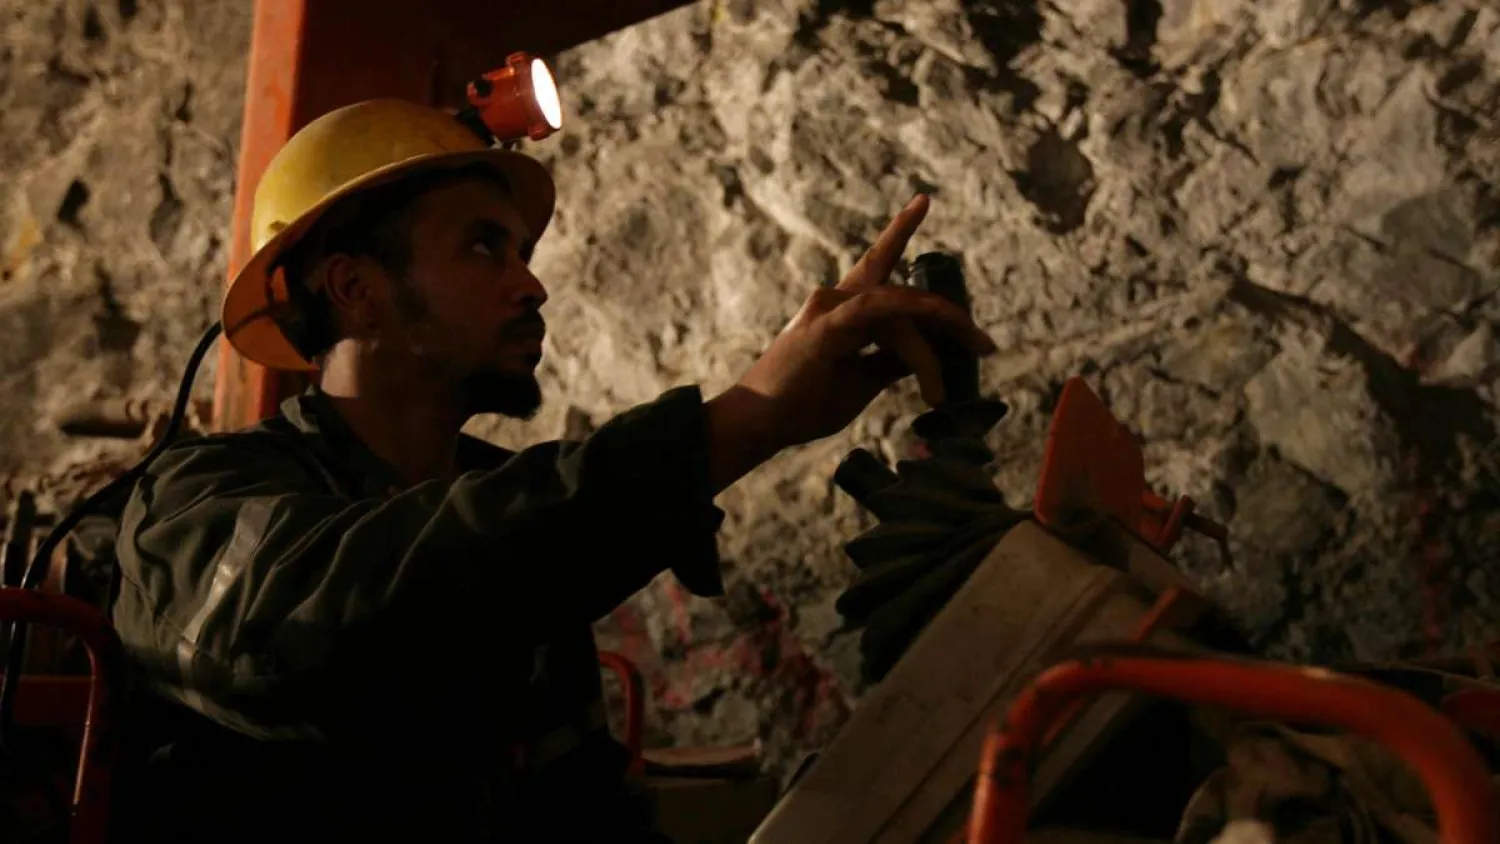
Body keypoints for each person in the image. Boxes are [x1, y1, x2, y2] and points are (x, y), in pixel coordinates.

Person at [110, 98, 995, 842]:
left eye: (523, 254)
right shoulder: (193, 500)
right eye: (483, 248)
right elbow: (324, 626)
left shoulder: (518, 533)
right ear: (354, 288)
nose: (531, 285)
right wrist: (745, 416)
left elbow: (573, 805)